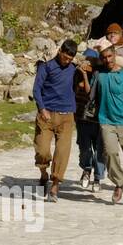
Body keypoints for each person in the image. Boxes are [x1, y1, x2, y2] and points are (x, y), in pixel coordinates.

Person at [92, 44, 123, 205]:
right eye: (104, 57)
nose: (108, 60)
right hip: (106, 121)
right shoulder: (99, 74)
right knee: (110, 154)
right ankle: (119, 183)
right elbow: (90, 93)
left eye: (110, 56)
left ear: (115, 55)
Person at [32, 39, 77, 202]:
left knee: (62, 152)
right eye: (66, 57)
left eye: (71, 58)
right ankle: (44, 173)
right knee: (42, 150)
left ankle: (54, 187)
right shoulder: (46, 67)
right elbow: (36, 88)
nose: (67, 61)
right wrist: (42, 109)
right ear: (60, 52)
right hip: (47, 114)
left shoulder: (74, 68)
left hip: (67, 116)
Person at [74, 46, 106, 191]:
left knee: (100, 150)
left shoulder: (101, 75)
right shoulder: (77, 73)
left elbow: (89, 93)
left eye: (91, 59)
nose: (88, 62)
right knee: (85, 147)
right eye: (86, 59)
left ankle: (98, 178)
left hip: (99, 119)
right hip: (82, 117)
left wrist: (86, 77)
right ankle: (86, 170)